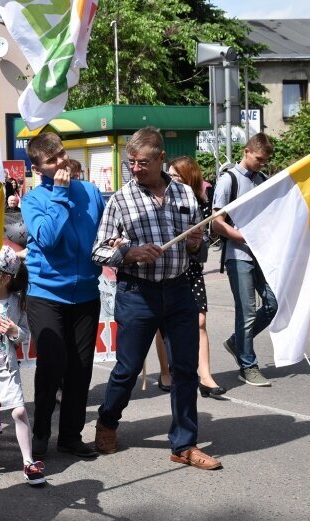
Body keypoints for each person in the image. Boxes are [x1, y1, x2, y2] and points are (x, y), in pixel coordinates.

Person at [90, 127, 221, 470]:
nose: (135, 168)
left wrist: (196, 243)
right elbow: (99, 250)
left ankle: (184, 443)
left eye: (142, 162)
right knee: (128, 369)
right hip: (137, 293)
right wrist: (130, 254)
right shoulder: (120, 200)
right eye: (130, 162)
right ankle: (107, 422)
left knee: (185, 370)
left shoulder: (184, 194)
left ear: (161, 158)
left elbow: (200, 248)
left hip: (179, 291)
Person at [21, 132, 105, 459]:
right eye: (52, 160)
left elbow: (107, 232)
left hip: (85, 292)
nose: (60, 163)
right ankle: (40, 432)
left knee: (81, 367)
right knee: (53, 364)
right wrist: (59, 193)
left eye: (61, 155)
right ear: (38, 167)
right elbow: (49, 238)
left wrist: (117, 245)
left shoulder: (91, 192)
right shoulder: (34, 199)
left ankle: (70, 435)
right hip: (46, 292)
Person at [155, 157, 226, 398]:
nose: (170, 180)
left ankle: (205, 376)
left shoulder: (200, 204)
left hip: (192, 270)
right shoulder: (162, 201)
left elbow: (204, 251)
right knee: (163, 326)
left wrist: (196, 244)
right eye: (170, 176)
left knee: (200, 323)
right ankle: (166, 372)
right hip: (167, 270)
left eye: (176, 177)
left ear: (188, 179)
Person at [212, 133, 278, 387]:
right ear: (248, 151)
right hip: (238, 255)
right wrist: (242, 237)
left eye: (265, 160)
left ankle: (237, 343)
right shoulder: (229, 180)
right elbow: (216, 223)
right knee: (247, 310)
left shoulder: (261, 179)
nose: (262, 164)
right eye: (259, 159)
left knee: (273, 304)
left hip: (261, 254)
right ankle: (248, 365)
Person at [0, 245, 45, 486]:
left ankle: (28, 461)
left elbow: (25, 336)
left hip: (7, 367)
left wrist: (14, 330)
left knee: (18, 411)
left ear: (6, 277)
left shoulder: (18, 302)